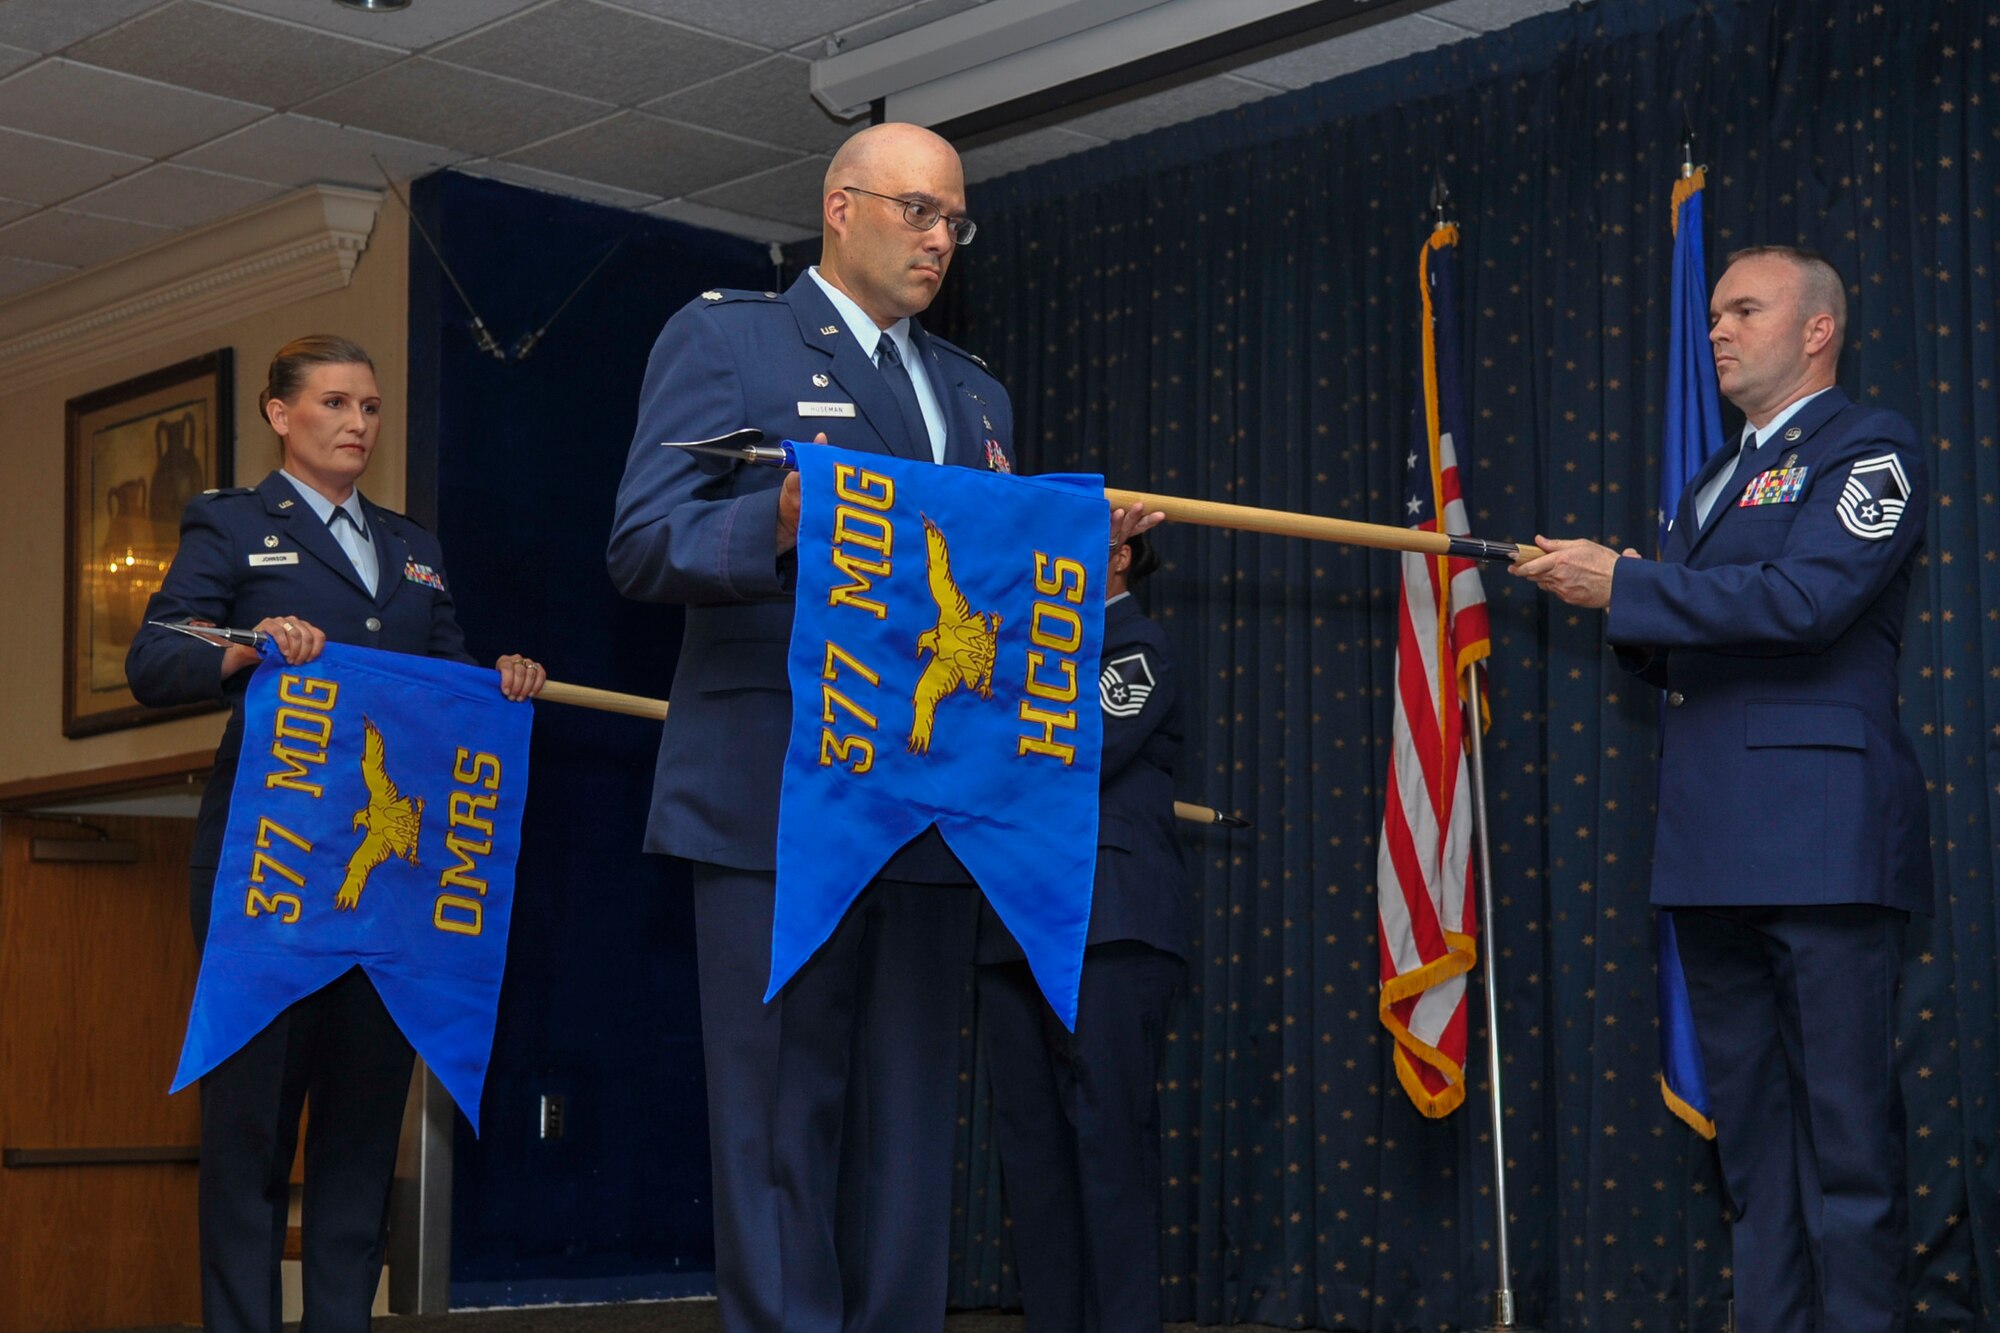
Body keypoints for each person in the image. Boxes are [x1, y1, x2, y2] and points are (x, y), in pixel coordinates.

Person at [607, 122, 1157, 1332]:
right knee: (776, 1129)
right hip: (774, 799)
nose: (939, 240)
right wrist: (782, 524)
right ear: (839, 207)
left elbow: (988, 595)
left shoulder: (973, 389)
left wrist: (1084, 556)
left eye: (955, 221)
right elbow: (642, 541)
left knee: (909, 1135)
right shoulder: (726, 339)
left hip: (929, 797)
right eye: (917, 212)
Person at [1512, 245, 1928, 1333]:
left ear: (1816, 329)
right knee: (1749, 1144)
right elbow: (1689, 640)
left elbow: (1804, 600)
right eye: (1710, 313)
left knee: (1845, 1144)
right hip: (1708, 846)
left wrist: (1634, 584)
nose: (1716, 329)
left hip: (1820, 838)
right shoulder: (1710, 477)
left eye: (1743, 308)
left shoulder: (1869, 444)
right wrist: (1610, 602)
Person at [127, 335, 544, 1333]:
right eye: (334, 403)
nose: (358, 422)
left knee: (361, 1138)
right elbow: (155, 653)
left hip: (385, 879)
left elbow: (443, 687)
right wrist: (248, 646)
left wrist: (504, 680)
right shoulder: (232, 525)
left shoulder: (413, 546)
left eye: (369, 406)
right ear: (280, 413)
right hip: (267, 870)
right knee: (252, 1138)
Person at [973, 529, 1188, 1333]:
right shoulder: (1019, 649)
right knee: (1033, 1156)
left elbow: (1069, 752)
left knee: (1109, 1150)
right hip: (1011, 925)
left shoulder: (1138, 644)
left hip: (1110, 920)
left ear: (1122, 556)